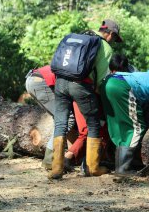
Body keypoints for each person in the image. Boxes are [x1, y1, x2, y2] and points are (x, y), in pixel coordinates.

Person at [49, 19, 122, 179]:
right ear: (111, 34)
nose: (114, 41)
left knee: (60, 123)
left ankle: (56, 168)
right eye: (115, 38)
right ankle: (93, 168)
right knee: (94, 124)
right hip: (80, 86)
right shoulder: (105, 47)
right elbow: (102, 81)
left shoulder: (80, 37)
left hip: (60, 82)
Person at [101, 58, 149, 175]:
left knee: (118, 126)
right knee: (136, 128)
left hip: (107, 82)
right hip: (121, 87)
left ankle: (115, 161)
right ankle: (122, 169)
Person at [25, 65, 85, 171]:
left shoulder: (74, 64)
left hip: (35, 80)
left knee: (61, 118)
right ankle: (49, 159)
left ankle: (67, 158)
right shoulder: (81, 73)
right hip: (40, 82)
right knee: (68, 118)